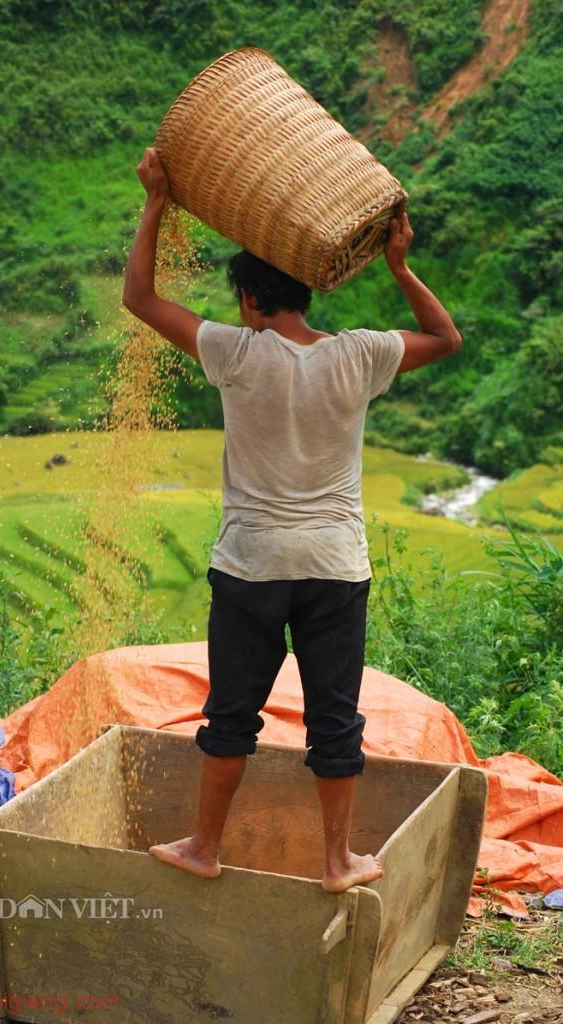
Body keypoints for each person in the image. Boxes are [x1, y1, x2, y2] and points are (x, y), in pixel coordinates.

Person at [122, 147, 462, 893]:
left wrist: (155, 202)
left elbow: (141, 301)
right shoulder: (358, 356)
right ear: (304, 296)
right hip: (336, 568)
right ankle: (338, 861)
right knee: (334, 720)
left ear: (248, 300)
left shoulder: (233, 353)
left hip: (249, 566)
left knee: (230, 716)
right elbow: (444, 339)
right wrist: (400, 268)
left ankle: (204, 848)